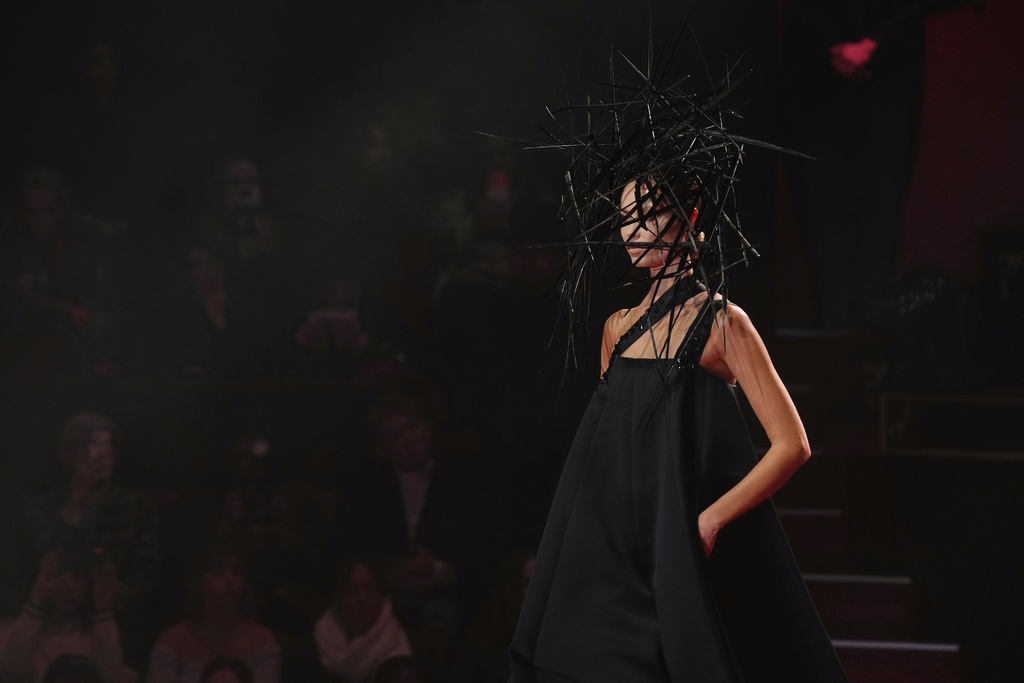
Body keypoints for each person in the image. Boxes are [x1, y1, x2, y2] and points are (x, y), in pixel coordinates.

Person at [507, 51, 846, 682]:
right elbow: (604, 451)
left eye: (649, 216)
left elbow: (792, 445)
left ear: (688, 217)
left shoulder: (722, 322)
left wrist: (710, 520)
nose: (633, 233)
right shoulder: (617, 327)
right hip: (610, 546)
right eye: (625, 219)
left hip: (677, 543)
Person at [146, 545, 280, 683]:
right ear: (200, 582)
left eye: (237, 573)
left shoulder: (262, 641)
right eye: (219, 573)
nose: (230, 580)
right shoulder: (172, 643)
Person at [0, 550, 137, 683]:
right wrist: (36, 600)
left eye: (77, 577)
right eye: (57, 575)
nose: (69, 587)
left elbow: (110, 678)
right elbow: (12, 675)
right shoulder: (8, 631)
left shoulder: (98, 634)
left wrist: (103, 610)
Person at [313, 558, 411, 683]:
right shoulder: (314, 647)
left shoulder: (397, 657)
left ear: (381, 598)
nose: (362, 598)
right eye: (352, 590)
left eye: (370, 590)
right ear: (337, 596)